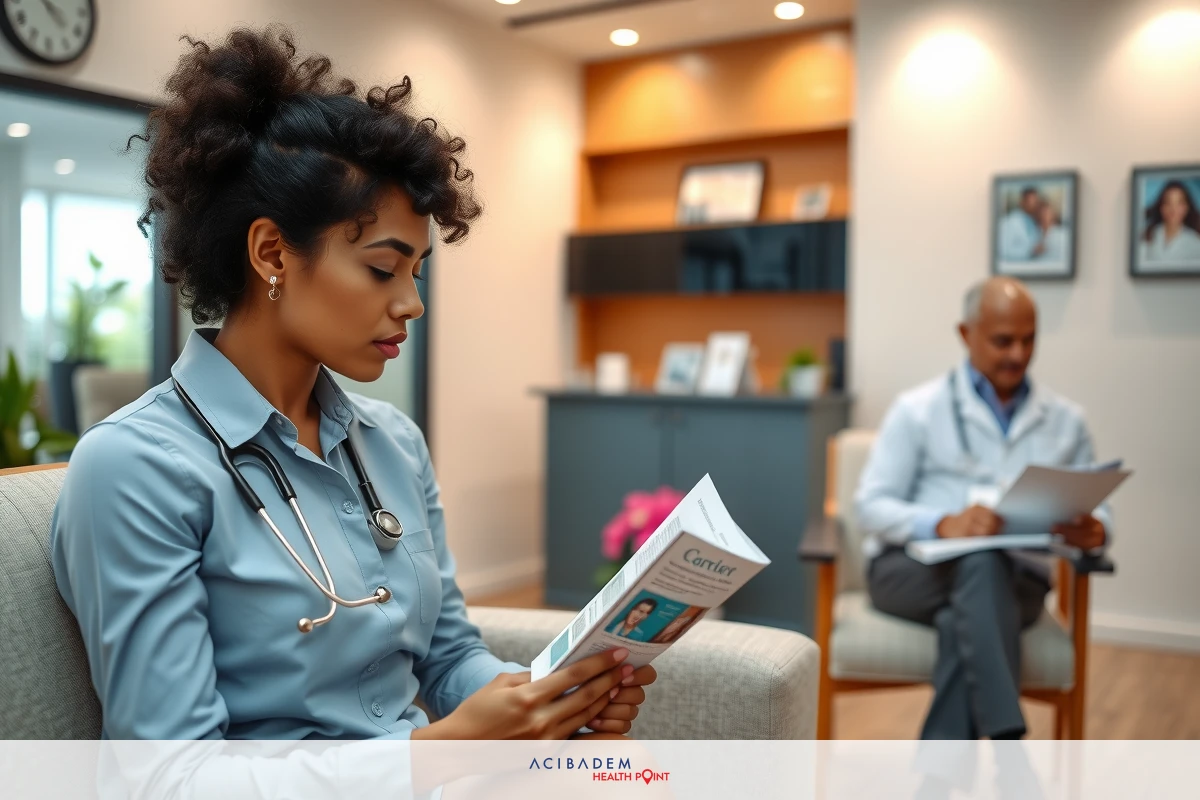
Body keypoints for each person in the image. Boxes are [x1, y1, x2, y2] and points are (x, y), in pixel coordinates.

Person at [50, 27, 654, 742]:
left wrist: (546, 702)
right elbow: (173, 775)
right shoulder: (136, 468)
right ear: (272, 252)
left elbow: (449, 655)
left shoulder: (392, 443)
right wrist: (439, 753)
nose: (411, 304)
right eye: (380, 268)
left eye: (417, 272)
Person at [855, 277, 1111, 740]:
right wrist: (940, 523)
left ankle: (938, 780)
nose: (1018, 354)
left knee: (968, 610)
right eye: (1002, 341)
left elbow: (1099, 509)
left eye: (1029, 339)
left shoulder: (1067, 421)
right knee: (980, 563)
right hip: (908, 573)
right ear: (965, 334)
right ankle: (1010, 748)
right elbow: (868, 507)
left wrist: (1095, 531)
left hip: (1019, 581)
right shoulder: (916, 409)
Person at [1139, 179, 1200, 264]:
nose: (1173, 210)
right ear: (1161, 207)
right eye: (1168, 203)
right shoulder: (1146, 236)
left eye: (1179, 203)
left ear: (1187, 207)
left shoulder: (1196, 243)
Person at [997, 188, 1042, 261]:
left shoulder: (1033, 222)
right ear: (1022, 202)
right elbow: (1003, 250)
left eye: (1036, 202)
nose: (1034, 205)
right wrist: (1031, 251)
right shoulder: (1010, 221)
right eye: (1030, 202)